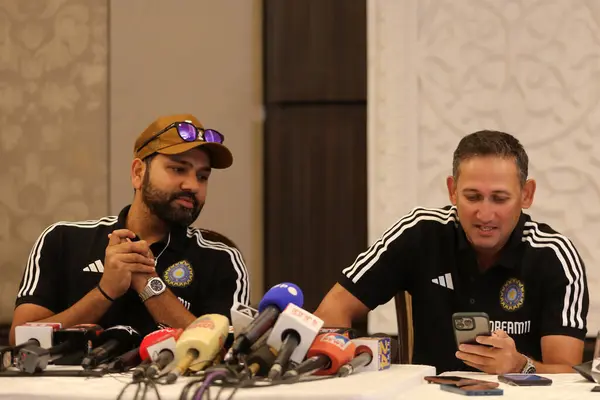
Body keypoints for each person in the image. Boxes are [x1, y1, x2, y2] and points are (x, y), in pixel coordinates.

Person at [315, 130, 589, 374]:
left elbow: (568, 373)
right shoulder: (419, 233)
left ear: (526, 195)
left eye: (499, 198)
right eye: (472, 197)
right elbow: (334, 307)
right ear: (452, 190)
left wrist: (519, 366)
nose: (485, 214)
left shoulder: (555, 255)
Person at [10, 114, 250, 344]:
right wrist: (105, 291)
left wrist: (148, 283)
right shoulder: (63, 239)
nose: (192, 185)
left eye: (202, 176)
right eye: (178, 169)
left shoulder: (220, 257)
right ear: (138, 173)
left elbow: (224, 352)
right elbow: (21, 340)